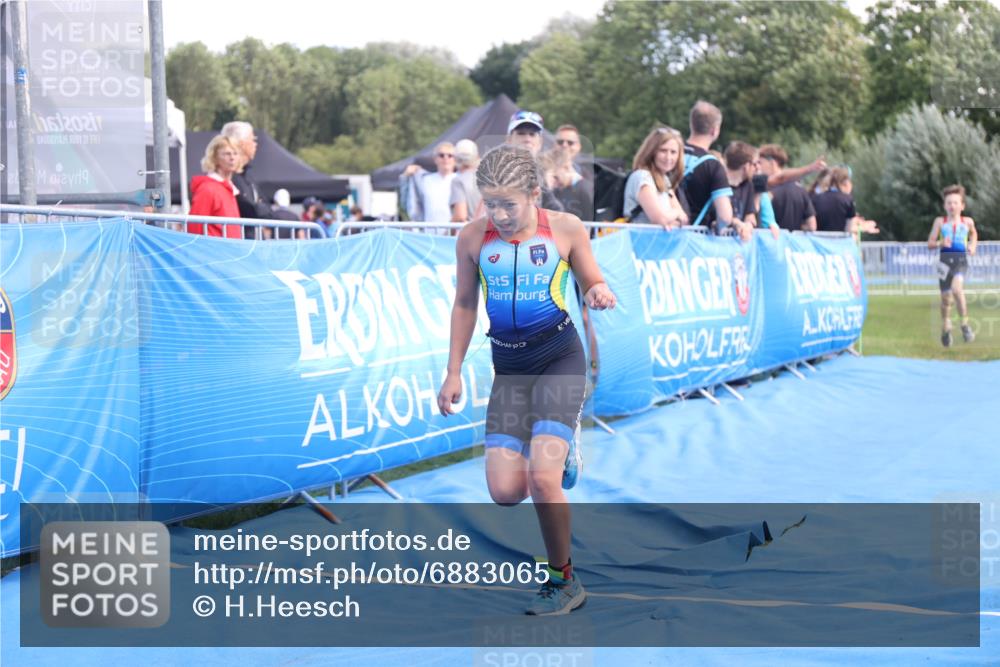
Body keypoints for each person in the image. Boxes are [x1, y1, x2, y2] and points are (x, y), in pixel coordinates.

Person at [437, 144, 616, 616]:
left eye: (508, 204)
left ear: (534, 194)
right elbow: (464, 304)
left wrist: (598, 290)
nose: (498, 214)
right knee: (505, 491)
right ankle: (562, 447)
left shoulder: (566, 229)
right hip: (510, 371)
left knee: (542, 480)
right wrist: (453, 371)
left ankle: (564, 580)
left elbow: (590, 279)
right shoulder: (473, 238)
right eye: (490, 203)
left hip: (559, 359)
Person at [681, 101, 750, 240]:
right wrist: (719, 227)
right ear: (715, 130)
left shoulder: (670, 153)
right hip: (694, 240)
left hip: (661, 236)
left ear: (691, 124)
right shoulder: (713, 165)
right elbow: (725, 216)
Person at [928, 184, 978, 347]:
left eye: (955, 203)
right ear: (944, 205)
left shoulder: (967, 222)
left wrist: (972, 246)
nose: (952, 206)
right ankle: (946, 327)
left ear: (962, 205)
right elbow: (930, 243)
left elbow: (974, 234)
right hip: (944, 262)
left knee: (957, 290)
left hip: (960, 260)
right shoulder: (940, 222)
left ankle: (964, 325)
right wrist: (941, 242)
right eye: (949, 203)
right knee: (945, 298)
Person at [623, 127, 688, 229]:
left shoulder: (665, 180)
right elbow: (660, 219)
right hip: (640, 242)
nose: (668, 157)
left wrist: (672, 219)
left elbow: (684, 219)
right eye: (663, 150)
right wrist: (676, 213)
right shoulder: (642, 177)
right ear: (652, 151)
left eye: (673, 152)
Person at [221, 121, 274, 239]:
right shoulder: (228, 177)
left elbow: (268, 211)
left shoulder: (247, 177)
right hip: (239, 244)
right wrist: (258, 206)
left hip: (251, 242)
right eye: (253, 139)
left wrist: (258, 207)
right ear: (242, 143)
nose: (255, 144)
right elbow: (251, 210)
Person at [187, 135, 242, 238]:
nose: (232, 158)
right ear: (215, 157)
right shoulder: (207, 189)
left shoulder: (229, 188)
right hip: (214, 251)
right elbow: (195, 227)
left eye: (235, 153)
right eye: (227, 153)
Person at [722, 141, 778, 239]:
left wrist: (748, 225)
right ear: (746, 166)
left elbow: (750, 215)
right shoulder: (720, 183)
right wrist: (737, 223)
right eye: (755, 164)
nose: (758, 168)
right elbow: (718, 216)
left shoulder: (748, 185)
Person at [757, 144, 818, 231]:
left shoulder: (764, 189)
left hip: (768, 240)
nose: (758, 167)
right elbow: (811, 226)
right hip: (793, 243)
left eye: (760, 162)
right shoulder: (801, 190)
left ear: (772, 163)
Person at [403, 142, 458, 231]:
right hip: (430, 235)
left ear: (455, 159)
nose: (446, 158)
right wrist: (405, 177)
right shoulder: (424, 180)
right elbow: (407, 201)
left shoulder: (460, 179)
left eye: (450, 155)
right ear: (435, 159)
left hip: (454, 234)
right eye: (441, 155)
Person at [812, 167, 878, 234]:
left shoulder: (815, 199)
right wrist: (865, 227)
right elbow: (849, 229)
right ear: (846, 182)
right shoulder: (848, 200)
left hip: (818, 241)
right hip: (839, 242)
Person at [541, 146, 595, 221]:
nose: (554, 184)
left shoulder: (586, 189)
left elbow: (592, 222)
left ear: (566, 167)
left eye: (556, 177)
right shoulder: (558, 189)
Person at [450, 139, 482, 222]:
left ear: (455, 158)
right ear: (477, 156)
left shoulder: (458, 181)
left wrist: (447, 232)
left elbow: (460, 216)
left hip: (473, 231)